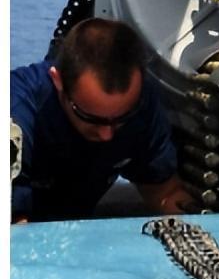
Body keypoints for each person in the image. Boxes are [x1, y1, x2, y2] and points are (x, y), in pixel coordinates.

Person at [10, 18, 192, 222]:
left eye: (122, 118)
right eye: (90, 118)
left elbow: (163, 192)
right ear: (58, 80)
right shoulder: (16, 111)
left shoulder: (142, 105)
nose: (107, 135)